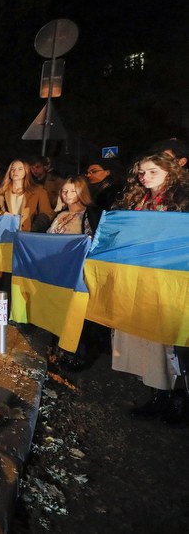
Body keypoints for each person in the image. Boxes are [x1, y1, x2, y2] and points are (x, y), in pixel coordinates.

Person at [111, 153, 189, 426]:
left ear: (170, 172)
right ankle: (158, 396)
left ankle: (176, 401)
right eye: (142, 172)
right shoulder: (138, 201)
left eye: (152, 171)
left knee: (170, 340)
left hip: (171, 280)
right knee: (149, 342)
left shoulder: (181, 201)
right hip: (142, 279)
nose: (145, 177)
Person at [46, 176, 102, 371]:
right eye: (64, 191)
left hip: (77, 272)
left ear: (82, 192)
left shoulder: (90, 215)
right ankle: (58, 350)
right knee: (58, 311)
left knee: (76, 314)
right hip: (58, 272)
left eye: (72, 191)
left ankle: (76, 355)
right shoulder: (60, 215)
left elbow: (93, 243)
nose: (67, 195)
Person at [0, 159, 54, 233]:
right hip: (5, 234)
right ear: (9, 172)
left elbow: (47, 214)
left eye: (20, 169)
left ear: (26, 171)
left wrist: (34, 228)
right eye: (12, 169)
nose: (15, 171)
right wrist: (3, 214)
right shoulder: (1, 191)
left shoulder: (39, 192)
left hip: (28, 235)